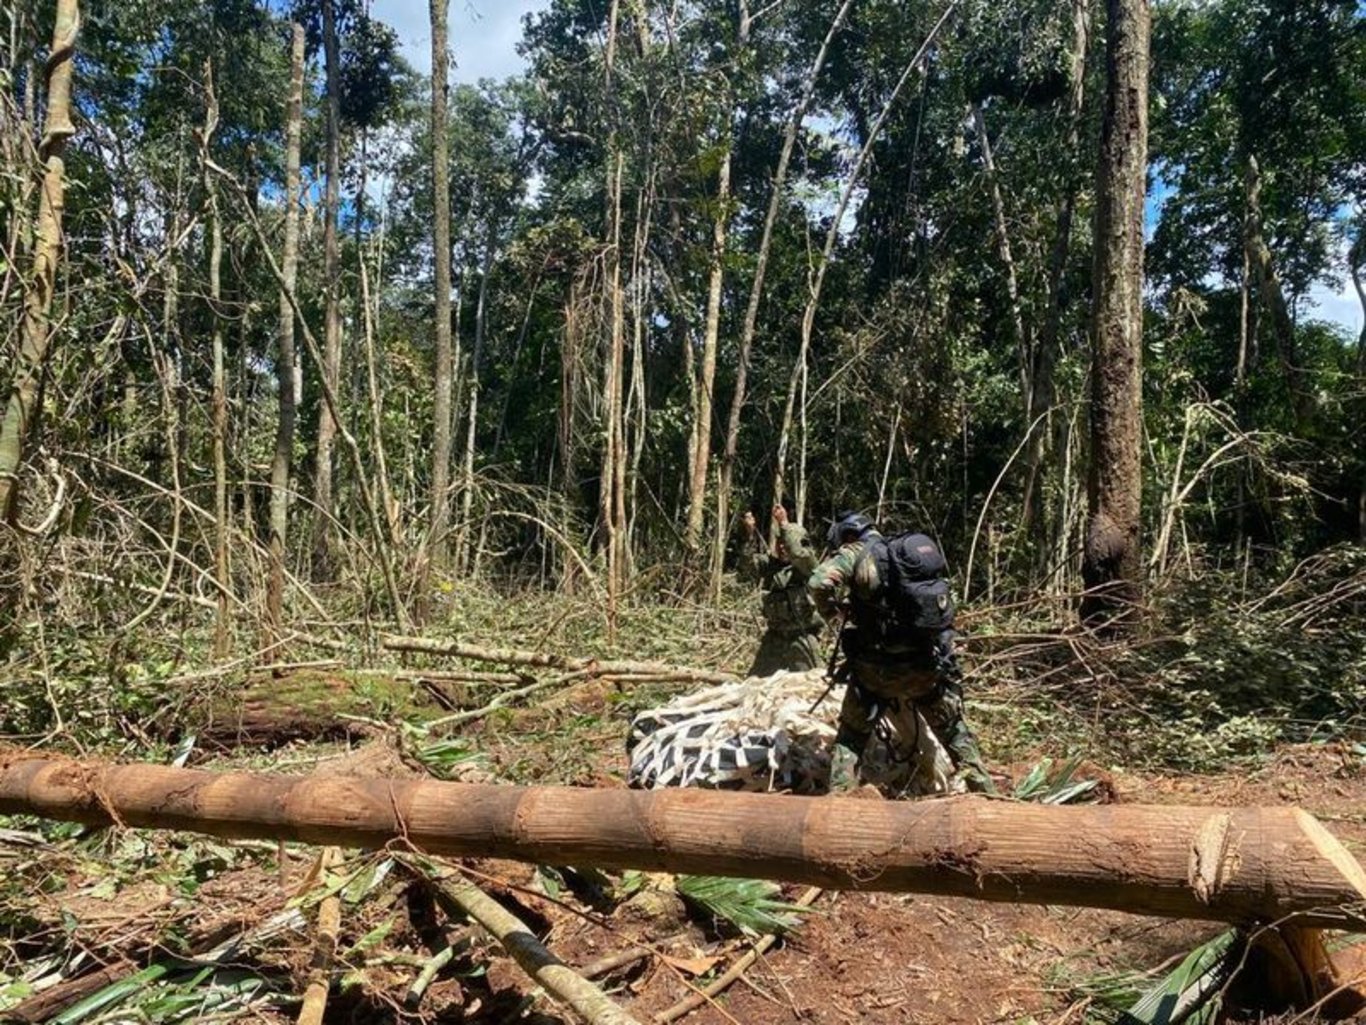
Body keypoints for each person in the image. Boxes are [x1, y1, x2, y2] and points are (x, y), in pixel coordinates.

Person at [808, 511, 995, 794]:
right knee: (954, 732)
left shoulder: (855, 553)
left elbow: (818, 582)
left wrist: (833, 610)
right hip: (923, 667)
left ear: (847, 535)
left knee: (852, 737)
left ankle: (839, 800)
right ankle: (988, 794)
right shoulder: (908, 556)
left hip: (875, 672)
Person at [737, 505, 824, 677]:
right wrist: (749, 534)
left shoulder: (807, 566)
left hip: (801, 637)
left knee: (811, 685)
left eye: (787, 543)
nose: (783, 547)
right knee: (755, 683)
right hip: (775, 637)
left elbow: (798, 553)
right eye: (780, 543)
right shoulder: (770, 566)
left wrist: (784, 523)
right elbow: (746, 566)